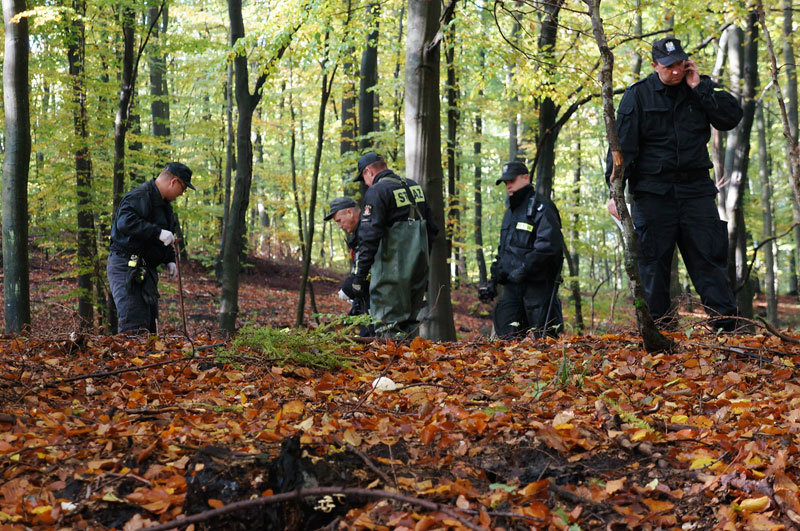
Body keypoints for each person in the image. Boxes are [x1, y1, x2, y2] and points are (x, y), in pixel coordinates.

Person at [606, 37, 742, 331]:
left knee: (710, 262)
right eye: (668, 66)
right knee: (653, 268)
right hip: (652, 196)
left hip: (696, 193)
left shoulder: (699, 89)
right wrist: (614, 191)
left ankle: (727, 333)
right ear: (655, 65)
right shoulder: (638, 96)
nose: (676, 71)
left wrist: (701, 87)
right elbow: (622, 148)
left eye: (680, 64)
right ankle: (659, 336)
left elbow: (731, 117)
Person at [341, 152, 438, 337]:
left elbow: (369, 237)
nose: (366, 184)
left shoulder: (378, 191)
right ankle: (413, 363)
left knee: (387, 326)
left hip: (391, 273)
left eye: (364, 179)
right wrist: (422, 262)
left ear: (368, 171)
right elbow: (432, 229)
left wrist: (359, 277)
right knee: (410, 324)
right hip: (418, 268)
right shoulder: (414, 187)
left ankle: (392, 365)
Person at [107, 162, 195, 334]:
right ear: (173, 182)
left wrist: (169, 259)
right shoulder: (140, 196)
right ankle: (130, 360)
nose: (182, 194)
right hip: (126, 266)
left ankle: (145, 360)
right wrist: (157, 232)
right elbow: (125, 223)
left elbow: (165, 235)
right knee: (134, 325)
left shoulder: (165, 207)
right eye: (182, 188)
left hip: (146, 271)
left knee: (150, 326)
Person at [480, 161, 564, 338]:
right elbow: (504, 250)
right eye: (505, 182)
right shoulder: (510, 213)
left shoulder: (542, 208)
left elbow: (549, 247)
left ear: (526, 178)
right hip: (512, 289)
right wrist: (493, 280)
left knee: (544, 340)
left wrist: (525, 269)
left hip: (538, 289)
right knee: (506, 340)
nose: (508, 185)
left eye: (511, 180)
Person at [324, 196, 370, 322]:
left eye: (339, 220)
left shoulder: (369, 230)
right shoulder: (360, 232)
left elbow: (369, 262)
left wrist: (351, 285)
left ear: (349, 212)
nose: (339, 226)